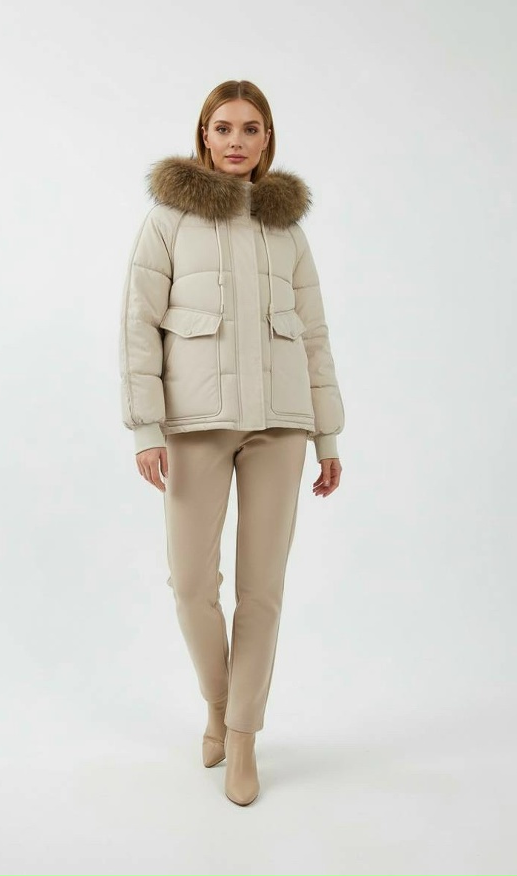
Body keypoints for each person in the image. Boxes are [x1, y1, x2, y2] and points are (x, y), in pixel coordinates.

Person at [119, 79, 345, 806]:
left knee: (262, 591)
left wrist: (328, 434)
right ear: (204, 135)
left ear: (267, 138)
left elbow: (314, 336)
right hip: (195, 425)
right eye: (224, 128)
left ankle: (242, 734)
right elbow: (137, 325)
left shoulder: (287, 229)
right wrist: (146, 426)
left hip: (281, 425)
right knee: (191, 585)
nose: (237, 141)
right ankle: (218, 706)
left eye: (251, 128)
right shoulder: (169, 220)